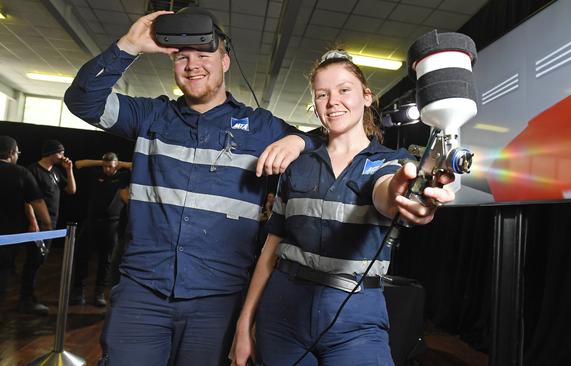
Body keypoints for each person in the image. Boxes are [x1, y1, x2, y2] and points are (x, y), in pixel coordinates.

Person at [64, 8, 320, 365]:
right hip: (142, 294)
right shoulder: (149, 116)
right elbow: (81, 101)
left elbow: (327, 142)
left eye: (204, 55)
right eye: (182, 57)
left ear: (226, 61)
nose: (192, 65)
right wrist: (129, 45)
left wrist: (298, 143)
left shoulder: (261, 127)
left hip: (219, 301)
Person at [230, 50, 456, 366]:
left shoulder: (391, 162)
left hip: (356, 315)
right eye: (322, 94)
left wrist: (406, 197)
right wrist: (244, 323)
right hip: (283, 310)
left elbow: (388, 191)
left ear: (367, 96)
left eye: (343, 90)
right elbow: (271, 249)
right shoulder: (298, 167)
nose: (332, 101)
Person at [19, 139, 76, 315]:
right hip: (38, 225)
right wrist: (33, 222)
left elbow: (71, 190)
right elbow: (27, 199)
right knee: (33, 260)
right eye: (60, 153)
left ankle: (29, 295)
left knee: (39, 260)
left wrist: (69, 169)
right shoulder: (33, 171)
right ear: (51, 153)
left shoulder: (57, 172)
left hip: (51, 224)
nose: (63, 156)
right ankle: (25, 300)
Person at [70, 153, 131, 306]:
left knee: (106, 261)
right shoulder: (96, 174)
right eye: (105, 166)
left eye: (110, 166)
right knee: (82, 257)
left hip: (112, 225)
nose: (107, 169)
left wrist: (119, 163)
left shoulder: (123, 177)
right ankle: (78, 292)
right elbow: (79, 163)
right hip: (91, 222)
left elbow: (134, 166)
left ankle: (99, 293)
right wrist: (102, 162)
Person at [0, 136, 52, 314]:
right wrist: (47, 225)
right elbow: (37, 202)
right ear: (11, 153)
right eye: (17, 152)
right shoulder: (21, 173)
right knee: (2, 274)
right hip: (7, 239)